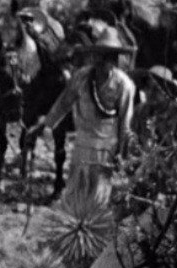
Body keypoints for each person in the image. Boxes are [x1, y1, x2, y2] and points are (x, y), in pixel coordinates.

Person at [25, 24, 136, 208]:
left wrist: (121, 156)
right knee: (75, 199)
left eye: (107, 56)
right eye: (99, 55)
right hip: (82, 145)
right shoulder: (81, 77)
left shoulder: (124, 85)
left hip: (106, 150)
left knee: (98, 202)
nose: (101, 60)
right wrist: (43, 126)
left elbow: (125, 123)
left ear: (115, 60)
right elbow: (62, 104)